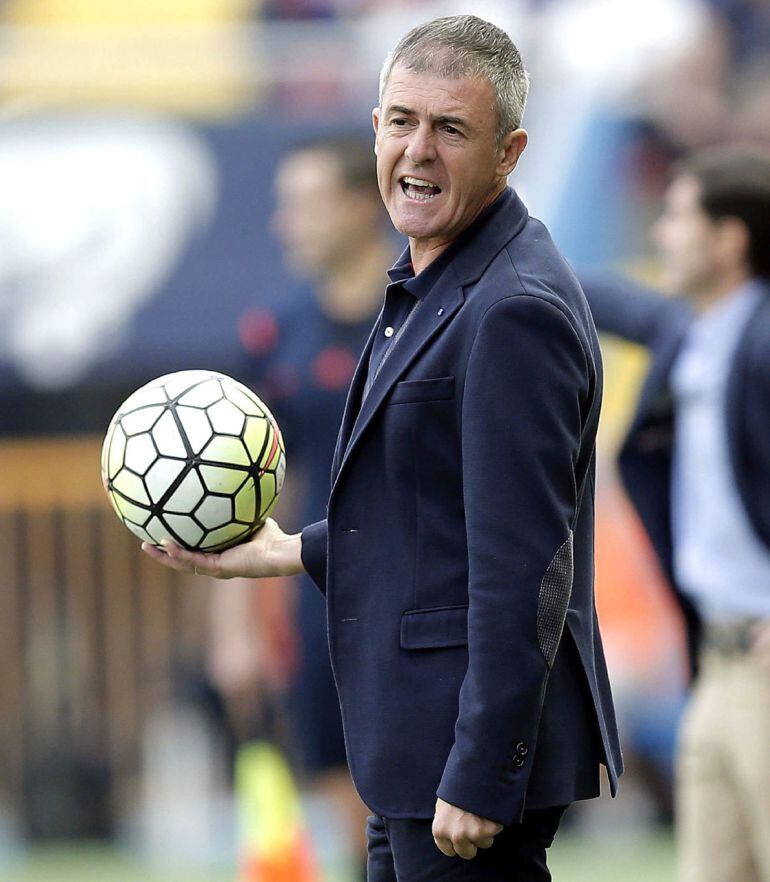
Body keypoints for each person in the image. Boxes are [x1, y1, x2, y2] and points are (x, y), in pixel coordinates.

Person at [144, 15, 623, 881]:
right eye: (402, 121)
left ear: (509, 152)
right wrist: (292, 552)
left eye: (452, 129)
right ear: (374, 129)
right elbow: (430, 510)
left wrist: (482, 769)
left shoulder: (511, 306)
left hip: (458, 767)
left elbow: (526, 570)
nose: (419, 152)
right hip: (405, 752)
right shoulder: (432, 280)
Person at [581, 146, 770, 882]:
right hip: (717, 666)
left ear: (729, 240)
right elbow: (598, 294)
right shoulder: (695, 331)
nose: (661, 236)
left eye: (679, 218)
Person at [208, 134, 394, 877]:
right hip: (321, 588)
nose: (287, 224)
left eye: (305, 205)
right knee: (334, 769)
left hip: (423, 584)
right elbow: (250, 488)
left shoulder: (427, 313)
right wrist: (234, 630)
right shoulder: (276, 330)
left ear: (360, 205)